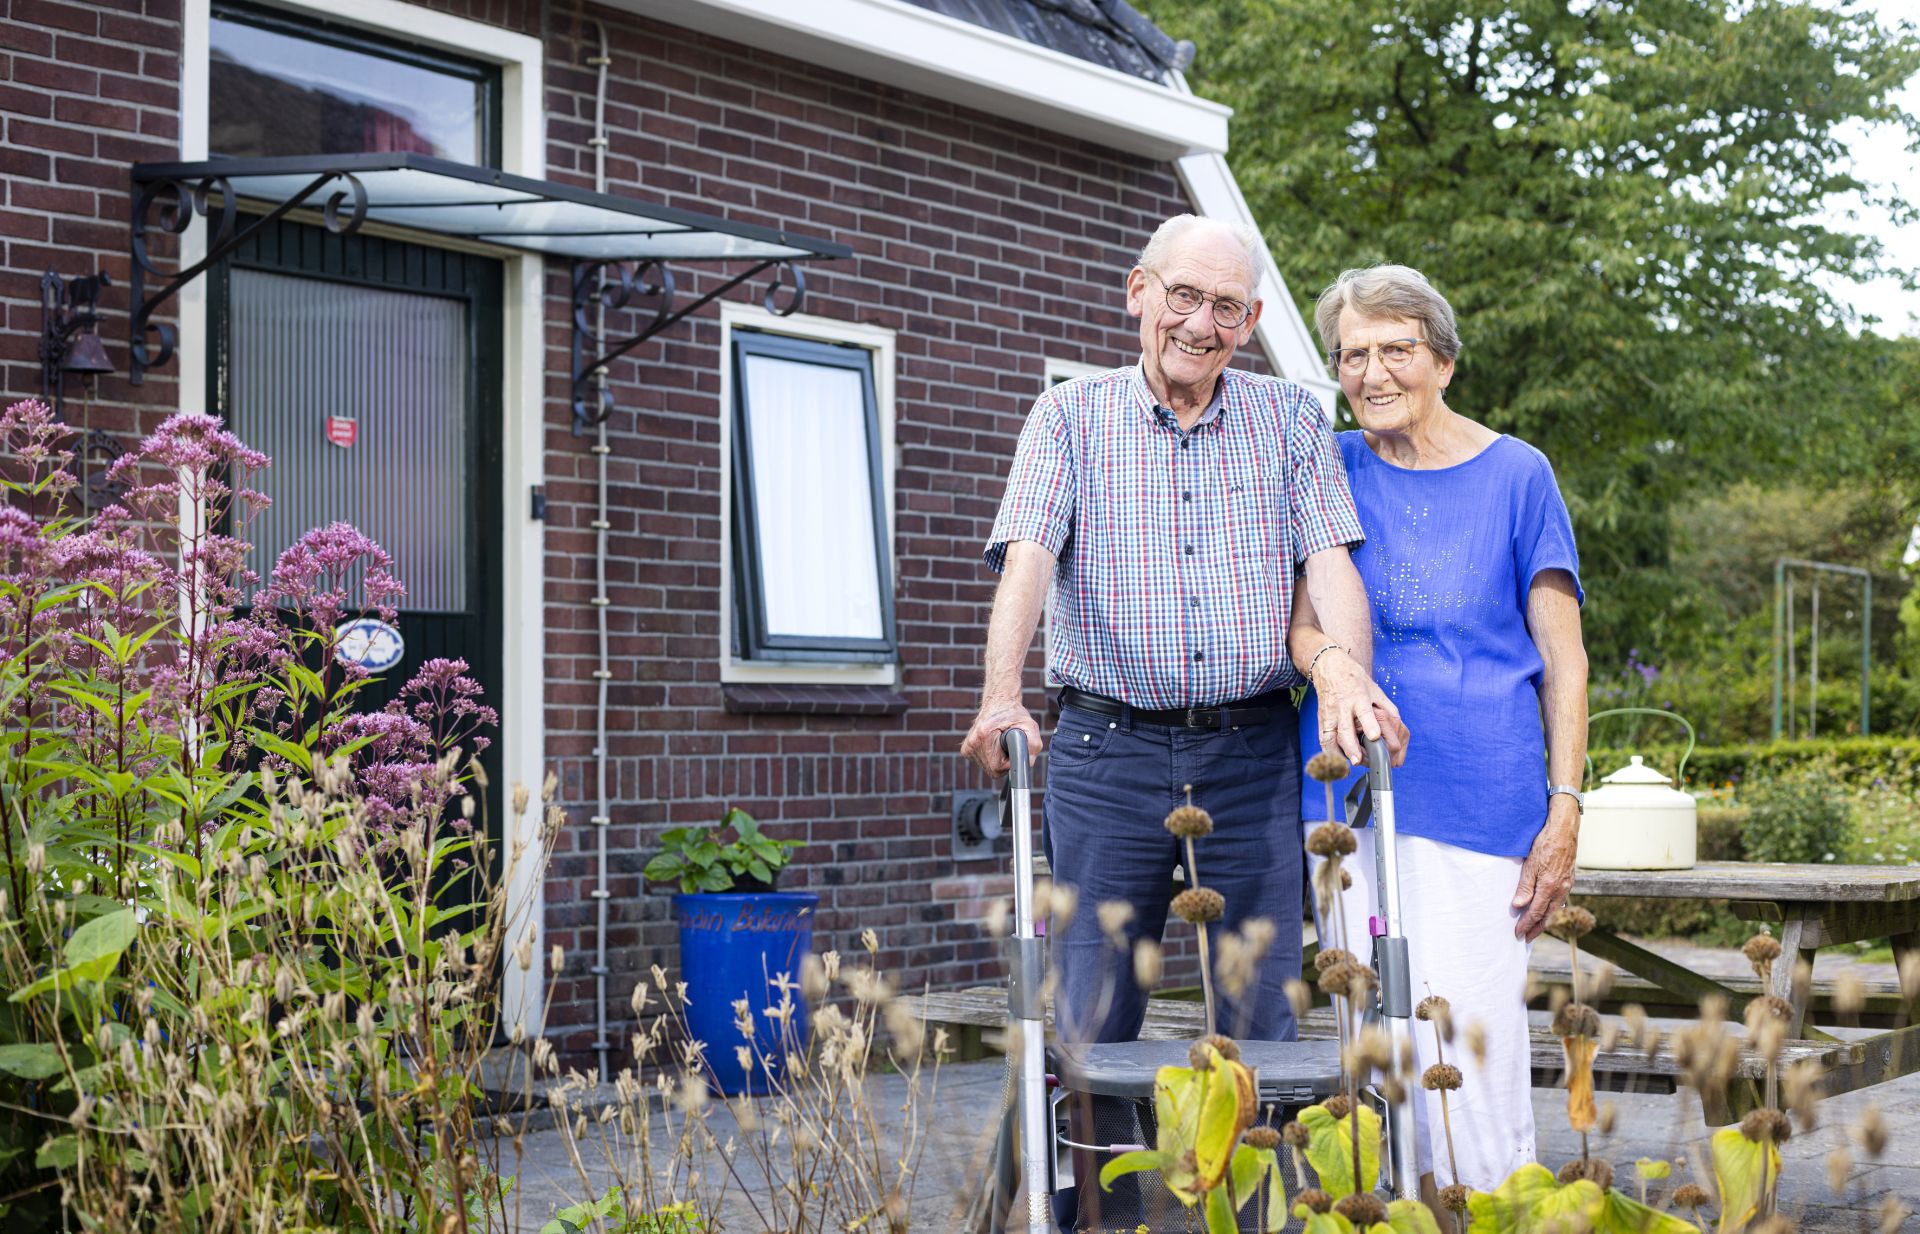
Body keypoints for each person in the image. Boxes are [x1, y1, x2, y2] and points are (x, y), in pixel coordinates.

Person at [960, 214, 1404, 1055]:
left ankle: (1254, 1192)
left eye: (1227, 306)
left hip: (1251, 753)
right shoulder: (1068, 417)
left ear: (1252, 322)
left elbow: (1330, 562)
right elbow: (1026, 560)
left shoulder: (1290, 420)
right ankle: (1091, 1192)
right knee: (1094, 1013)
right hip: (1107, 751)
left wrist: (1345, 676)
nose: (1202, 324)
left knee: (1262, 1011)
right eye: (1186, 296)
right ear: (1139, 293)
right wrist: (1000, 697)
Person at [1289, 264, 1589, 1202]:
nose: (1373, 372)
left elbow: (1565, 656)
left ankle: (1491, 1216)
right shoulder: (1328, 464)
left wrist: (1566, 805)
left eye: (1396, 351)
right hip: (1345, 801)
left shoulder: (1518, 473)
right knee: (1372, 1044)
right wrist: (1332, 663)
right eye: (1352, 355)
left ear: (1444, 362)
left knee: (1467, 1041)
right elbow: (1299, 628)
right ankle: (1388, 1217)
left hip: (1483, 796)